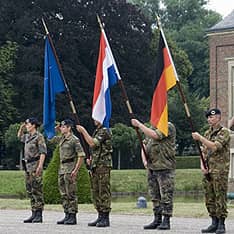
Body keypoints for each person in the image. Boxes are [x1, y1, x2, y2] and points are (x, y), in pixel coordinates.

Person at [131, 119, 176, 230]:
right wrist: (144, 160)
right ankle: (157, 219)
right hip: (152, 167)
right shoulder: (151, 129)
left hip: (164, 167)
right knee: (155, 196)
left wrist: (139, 125)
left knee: (166, 195)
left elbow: (155, 136)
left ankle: (166, 220)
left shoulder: (167, 126)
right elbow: (144, 145)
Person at [192, 108, 230, 234]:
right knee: (209, 197)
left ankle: (221, 223)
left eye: (212, 117)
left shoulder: (224, 132)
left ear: (219, 117)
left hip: (220, 170)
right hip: (208, 170)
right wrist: (202, 166)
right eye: (208, 117)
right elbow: (203, 151)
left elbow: (214, 147)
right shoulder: (207, 133)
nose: (210, 119)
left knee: (220, 196)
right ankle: (213, 221)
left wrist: (200, 138)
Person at [76, 120, 112, 228]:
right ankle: (100, 215)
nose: (94, 119)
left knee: (103, 190)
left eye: (96, 117)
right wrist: (91, 159)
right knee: (96, 191)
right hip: (96, 165)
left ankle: (105, 217)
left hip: (103, 165)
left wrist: (83, 131)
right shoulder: (97, 131)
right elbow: (96, 149)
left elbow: (92, 143)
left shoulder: (105, 131)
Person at [50, 119, 85, 225]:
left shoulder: (74, 140)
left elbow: (81, 155)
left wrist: (76, 170)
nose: (61, 128)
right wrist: (54, 130)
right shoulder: (61, 138)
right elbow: (50, 139)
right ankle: (67, 214)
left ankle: (72, 216)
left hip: (70, 168)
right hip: (62, 168)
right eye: (61, 126)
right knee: (63, 193)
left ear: (69, 127)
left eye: (63, 126)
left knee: (71, 193)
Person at [17, 117, 47, 223]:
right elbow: (19, 137)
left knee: (37, 189)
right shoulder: (28, 136)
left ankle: (39, 214)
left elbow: (43, 152)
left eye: (28, 124)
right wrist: (21, 128)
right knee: (30, 189)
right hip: (28, 166)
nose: (26, 125)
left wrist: (40, 166)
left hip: (35, 165)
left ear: (34, 125)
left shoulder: (39, 137)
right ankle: (33, 213)